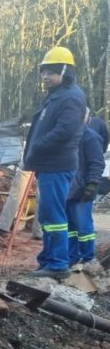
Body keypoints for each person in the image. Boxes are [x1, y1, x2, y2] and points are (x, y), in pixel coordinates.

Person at [23, 46, 87, 279]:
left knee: (54, 216)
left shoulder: (71, 97)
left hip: (57, 165)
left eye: (50, 72)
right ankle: (49, 260)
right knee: (49, 216)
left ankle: (58, 264)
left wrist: (38, 145)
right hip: (49, 165)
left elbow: (64, 131)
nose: (45, 77)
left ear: (65, 70)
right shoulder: (57, 95)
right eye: (43, 72)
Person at [66, 113, 105, 266]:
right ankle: (72, 257)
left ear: (86, 118)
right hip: (69, 188)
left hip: (82, 189)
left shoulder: (90, 137)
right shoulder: (70, 136)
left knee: (83, 226)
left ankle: (88, 258)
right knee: (70, 227)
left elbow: (97, 163)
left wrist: (92, 185)